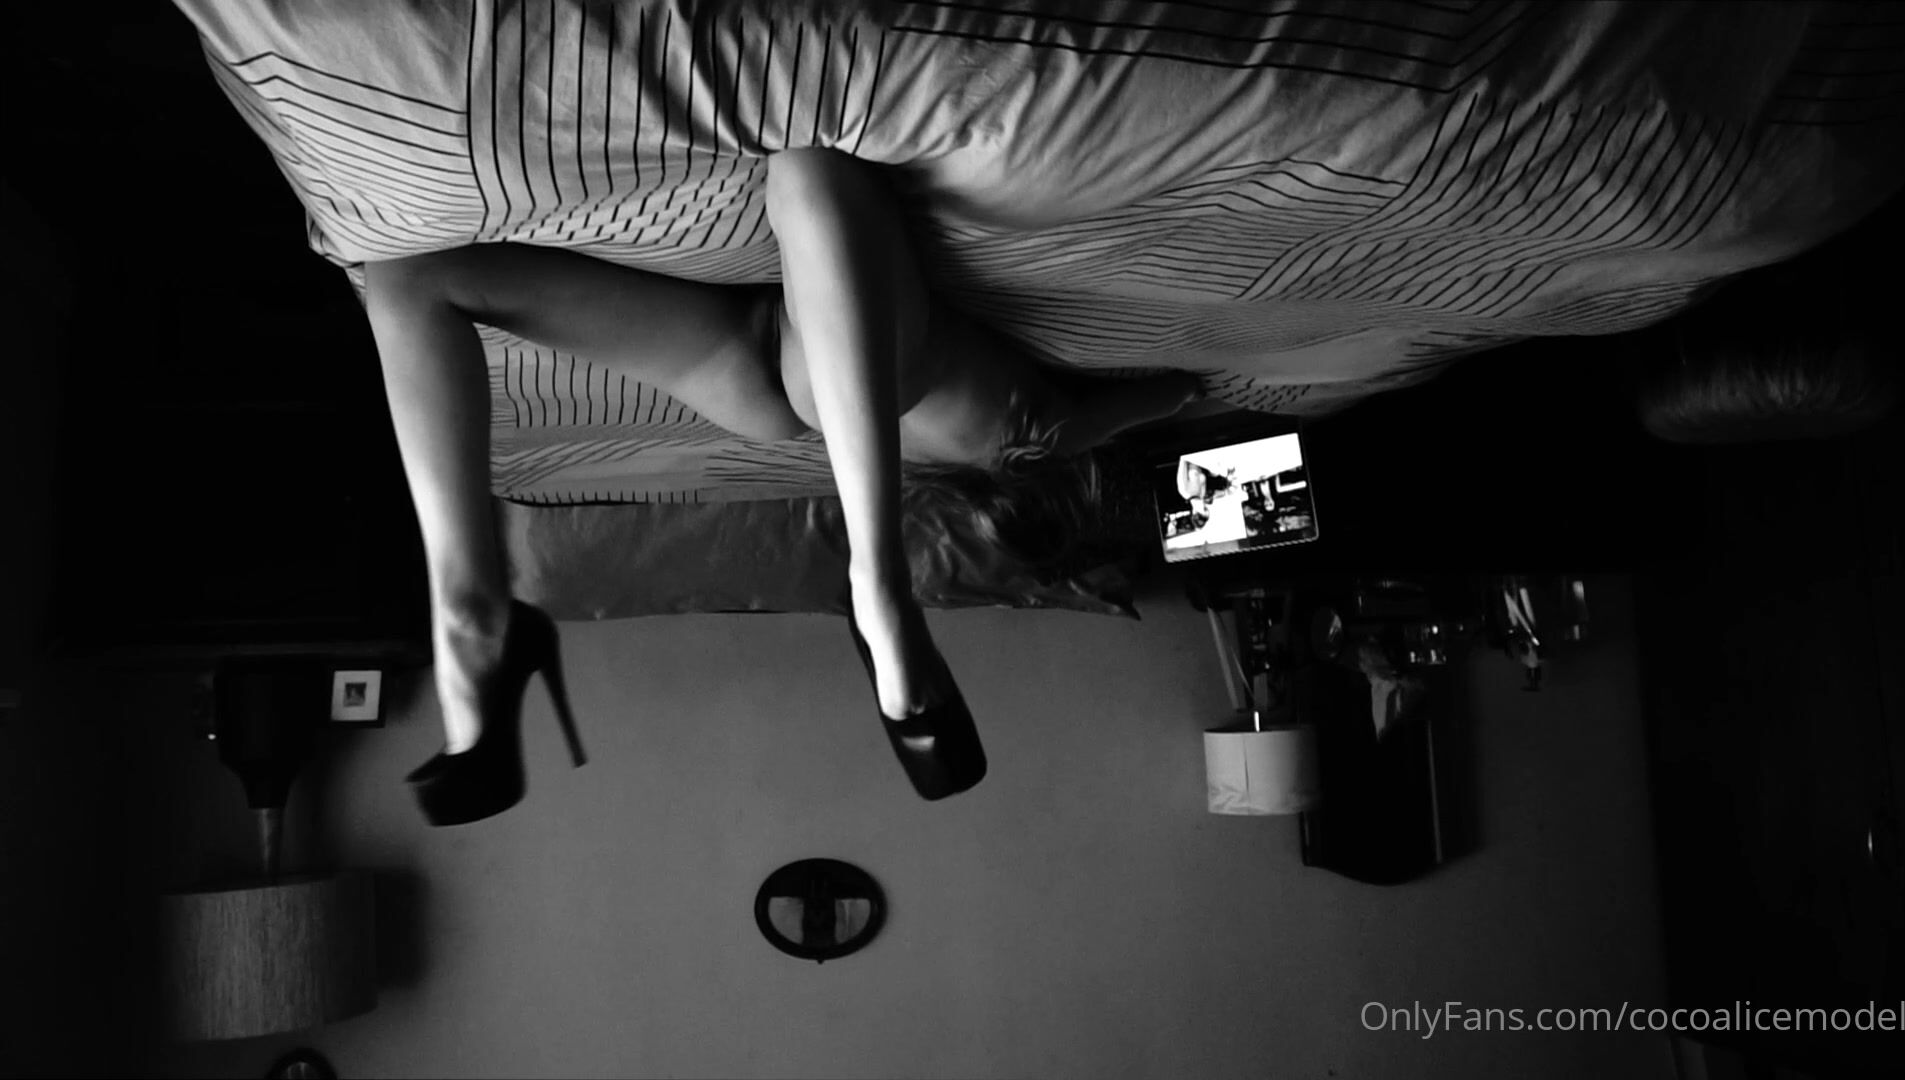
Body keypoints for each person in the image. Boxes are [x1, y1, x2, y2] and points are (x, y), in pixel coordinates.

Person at [369, 148, 1203, 824]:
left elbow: (1179, 390)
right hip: (770, 384)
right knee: (407, 278)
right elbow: (1176, 392)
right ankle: (468, 607)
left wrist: (1144, 417)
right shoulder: (1025, 436)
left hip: (826, 375)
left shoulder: (1043, 431)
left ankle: (879, 582)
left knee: (813, 171)